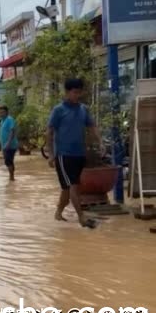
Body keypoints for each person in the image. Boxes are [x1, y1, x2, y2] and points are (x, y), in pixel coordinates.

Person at [46, 78, 103, 229]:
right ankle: (81, 217)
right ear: (67, 92)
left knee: (67, 188)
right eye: (75, 92)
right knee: (73, 186)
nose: (77, 95)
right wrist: (51, 154)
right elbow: (49, 132)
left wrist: (101, 142)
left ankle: (58, 213)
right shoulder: (58, 110)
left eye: (79, 92)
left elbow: (92, 127)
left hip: (79, 155)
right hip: (64, 155)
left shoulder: (83, 109)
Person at [0, 106, 18, 181]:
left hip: (10, 145)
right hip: (4, 145)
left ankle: (11, 177)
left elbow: (12, 131)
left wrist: (8, 143)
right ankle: (12, 177)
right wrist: (0, 144)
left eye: (3, 112)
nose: (1, 113)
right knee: (9, 161)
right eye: (0, 112)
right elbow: (1, 134)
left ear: (7, 112)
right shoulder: (2, 121)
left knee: (8, 161)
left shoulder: (10, 120)